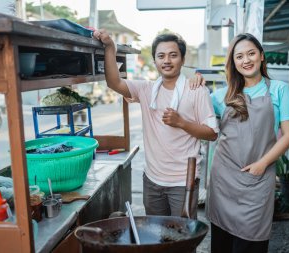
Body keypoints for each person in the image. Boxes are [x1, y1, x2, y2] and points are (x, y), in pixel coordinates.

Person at [93, 29, 218, 218]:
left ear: (182, 60)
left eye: (173, 55)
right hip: (152, 180)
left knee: (181, 238)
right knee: (155, 235)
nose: (166, 60)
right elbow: (114, 82)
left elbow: (212, 133)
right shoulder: (146, 89)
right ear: (155, 61)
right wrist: (110, 47)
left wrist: (182, 123)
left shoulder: (196, 91)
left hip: (183, 181)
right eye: (161, 56)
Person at [207, 33, 289, 253]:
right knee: (222, 245)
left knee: (252, 243)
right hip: (224, 180)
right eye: (239, 56)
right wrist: (195, 84)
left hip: (259, 179)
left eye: (251, 53)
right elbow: (199, 121)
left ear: (262, 56)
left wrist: (262, 163)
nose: (246, 60)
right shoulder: (221, 96)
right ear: (233, 63)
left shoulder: (278, 89)